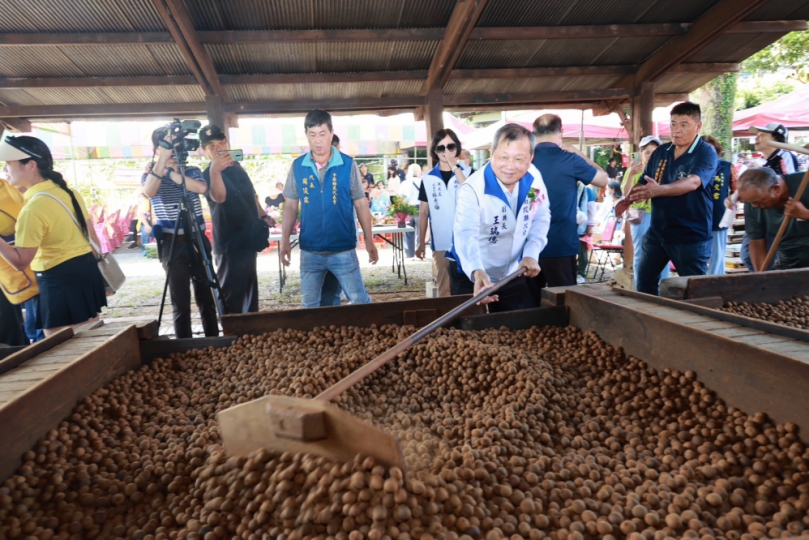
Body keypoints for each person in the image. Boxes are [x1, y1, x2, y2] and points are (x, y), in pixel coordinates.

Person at [0, 135, 106, 336]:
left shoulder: (33, 207)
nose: (5, 169)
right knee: (90, 343)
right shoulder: (69, 192)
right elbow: (92, 238)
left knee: (62, 353)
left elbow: (20, 262)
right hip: (85, 270)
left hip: (58, 279)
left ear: (31, 166)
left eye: (9, 164)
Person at [280, 109, 378, 309]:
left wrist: (369, 240)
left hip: (342, 248)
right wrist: (284, 241)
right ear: (306, 135)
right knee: (309, 305)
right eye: (313, 134)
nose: (318, 140)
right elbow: (290, 205)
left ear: (331, 133)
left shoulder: (347, 164)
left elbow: (360, 203)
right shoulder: (298, 166)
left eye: (322, 134)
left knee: (360, 301)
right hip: (310, 250)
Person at [618, 101, 718, 296]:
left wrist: (659, 190)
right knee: (645, 281)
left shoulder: (705, 153)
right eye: (673, 124)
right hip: (658, 232)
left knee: (695, 290)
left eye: (683, 124)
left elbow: (692, 183)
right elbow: (645, 182)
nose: (677, 130)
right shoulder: (661, 152)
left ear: (698, 126)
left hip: (690, 235)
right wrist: (627, 200)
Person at [451, 123, 550, 312]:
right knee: (470, 333)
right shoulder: (472, 189)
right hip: (473, 273)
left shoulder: (534, 179)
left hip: (513, 273)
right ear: (492, 152)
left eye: (519, 159)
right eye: (504, 157)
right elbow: (465, 234)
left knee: (512, 330)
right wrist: (476, 271)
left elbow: (540, 216)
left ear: (531, 158)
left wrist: (531, 252)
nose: (510, 166)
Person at [142, 125, 219, 338]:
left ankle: (213, 340)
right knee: (180, 301)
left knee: (206, 296)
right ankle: (184, 345)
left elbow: (202, 188)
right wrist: (161, 167)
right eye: (169, 145)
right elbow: (148, 191)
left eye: (176, 144)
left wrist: (172, 173)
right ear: (157, 148)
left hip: (196, 239)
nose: (174, 150)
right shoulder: (150, 174)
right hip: (171, 242)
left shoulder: (192, 170)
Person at [530, 113, 609, 288]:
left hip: (527, 245)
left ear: (534, 134)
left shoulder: (525, 160)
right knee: (564, 301)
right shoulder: (570, 159)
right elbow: (603, 179)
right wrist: (579, 153)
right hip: (561, 243)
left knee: (530, 304)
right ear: (561, 133)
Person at [201, 125, 272, 314]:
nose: (218, 148)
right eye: (211, 145)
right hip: (229, 246)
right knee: (231, 300)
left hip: (248, 240)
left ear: (227, 142)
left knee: (249, 296)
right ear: (204, 150)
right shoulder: (207, 174)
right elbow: (220, 197)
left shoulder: (237, 167)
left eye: (221, 142)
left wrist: (263, 215)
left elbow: (251, 195)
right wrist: (215, 171)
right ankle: (231, 337)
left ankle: (250, 335)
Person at [415, 129, 470, 297]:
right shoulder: (428, 178)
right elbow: (423, 212)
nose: (446, 152)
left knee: (468, 287)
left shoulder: (470, 173)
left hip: (467, 240)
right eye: (441, 148)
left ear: (457, 148)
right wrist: (421, 242)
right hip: (441, 242)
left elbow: (471, 192)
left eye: (450, 146)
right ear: (434, 151)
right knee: (444, 288)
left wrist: (455, 166)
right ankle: (448, 323)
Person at [739, 123, 798, 271]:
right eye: (756, 135)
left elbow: (789, 184)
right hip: (764, 215)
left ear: (776, 138)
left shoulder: (784, 157)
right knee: (748, 254)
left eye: (762, 135)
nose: (756, 139)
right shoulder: (762, 162)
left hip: (786, 214)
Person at [619, 135, 670, 288]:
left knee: (664, 251)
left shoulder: (664, 169)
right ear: (640, 153)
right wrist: (632, 175)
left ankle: (663, 286)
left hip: (660, 214)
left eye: (654, 152)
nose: (651, 155)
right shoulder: (633, 170)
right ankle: (640, 286)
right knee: (640, 251)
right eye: (647, 152)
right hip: (638, 214)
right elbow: (625, 193)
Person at [737, 168, 809, 271]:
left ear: (776, 189)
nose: (754, 206)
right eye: (749, 202)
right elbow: (756, 241)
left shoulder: (805, 183)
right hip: (789, 261)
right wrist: (762, 277)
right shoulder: (752, 204)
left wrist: (805, 214)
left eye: (758, 202)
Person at [0, 175, 41, 345]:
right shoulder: (8, 187)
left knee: (11, 332)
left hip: (17, 271)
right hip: (21, 273)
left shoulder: (8, 189)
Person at [702, 135, 738, 276]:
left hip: (719, 216)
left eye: (710, 149)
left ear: (717, 150)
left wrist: (732, 200)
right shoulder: (692, 168)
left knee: (717, 256)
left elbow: (738, 189)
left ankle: (715, 283)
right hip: (697, 217)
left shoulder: (726, 167)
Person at [576, 182, 597, 284]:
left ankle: (581, 273)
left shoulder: (588, 190)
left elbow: (591, 210)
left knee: (582, 252)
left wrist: (590, 226)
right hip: (568, 226)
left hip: (582, 227)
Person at [399, 163, 422, 258]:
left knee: (408, 231)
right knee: (421, 231)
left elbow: (400, 196)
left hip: (407, 208)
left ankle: (409, 254)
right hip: (420, 208)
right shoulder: (422, 182)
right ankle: (419, 252)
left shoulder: (404, 183)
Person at [136, 192, 152, 257]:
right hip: (146, 222)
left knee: (145, 237)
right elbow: (142, 213)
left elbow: (146, 212)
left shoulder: (146, 201)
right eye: (139, 197)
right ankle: (145, 251)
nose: (140, 198)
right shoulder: (143, 203)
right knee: (146, 237)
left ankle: (146, 251)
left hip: (147, 222)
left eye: (141, 196)